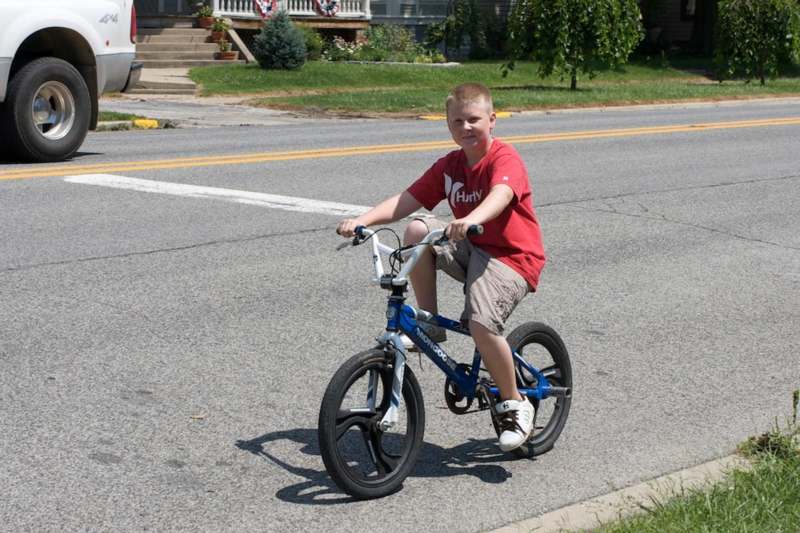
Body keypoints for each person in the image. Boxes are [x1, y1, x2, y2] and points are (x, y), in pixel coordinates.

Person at [336, 83, 546, 452]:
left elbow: (501, 195)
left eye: (474, 119)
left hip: (511, 257)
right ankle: (430, 323)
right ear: (449, 126)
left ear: (492, 120)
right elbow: (407, 199)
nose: (466, 127)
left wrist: (471, 219)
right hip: (473, 248)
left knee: (481, 324)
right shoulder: (449, 165)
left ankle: (516, 404)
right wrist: (362, 219)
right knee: (417, 228)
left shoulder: (504, 158)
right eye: (457, 121)